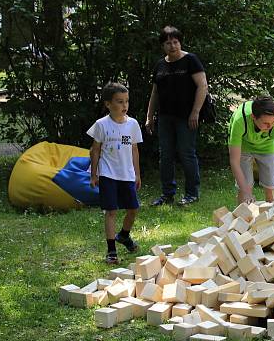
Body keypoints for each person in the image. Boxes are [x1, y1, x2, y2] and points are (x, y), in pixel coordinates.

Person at [146, 26, 208, 207]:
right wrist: (150, 116)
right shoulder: (160, 65)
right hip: (165, 117)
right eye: (168, 43)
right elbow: (155, 93)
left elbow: (202, 86)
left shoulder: (191, 60)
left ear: (180, 42)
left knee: (187, 153)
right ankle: (167, 194)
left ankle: (192, 193)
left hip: (187, 117)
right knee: (165, 155)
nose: (172, 46)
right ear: (162, 45)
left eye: (175, 42)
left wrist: (195, 112)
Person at [87, 82, 143, 264]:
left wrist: (137, 173)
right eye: (119, 102)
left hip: (126, 174)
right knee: (110, 211)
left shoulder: (132, 125)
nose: (124, 106)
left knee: (133, 209)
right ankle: (111, 251)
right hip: (108, 174)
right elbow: (94, 150)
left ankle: (124, 236)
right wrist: (94, 174)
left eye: (126, 101)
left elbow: (134, 150)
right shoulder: (101, 125)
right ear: (108, 104)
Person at [228, 95, 274, 204]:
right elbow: (234, 162)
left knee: (271, 186)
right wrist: (246, 192)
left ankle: (272, 218)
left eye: (272, 123)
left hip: (266, 147)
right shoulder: (240, 121)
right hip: (243, 146)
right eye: (266, 123)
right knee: (245, 190)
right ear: (253, 117)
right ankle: (242, 218)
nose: (270, 126)